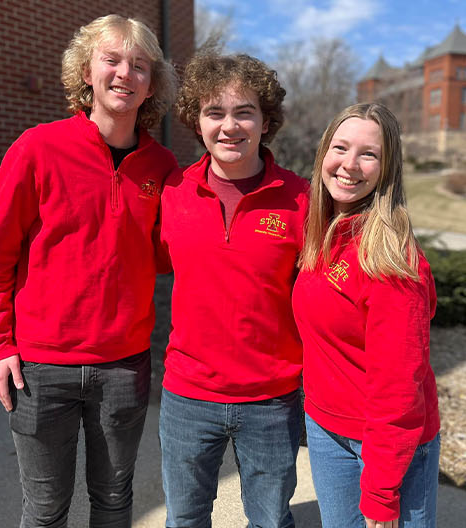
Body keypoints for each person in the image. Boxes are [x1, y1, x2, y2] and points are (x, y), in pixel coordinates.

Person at [0, 14, 179, 527]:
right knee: (44, 510)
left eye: (140, 65)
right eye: (113, 60)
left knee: (113, 501)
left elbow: (171, 255)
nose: (125, 73)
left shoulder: (163, 168)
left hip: (123, 366)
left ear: (152, 84)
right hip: (41, 367)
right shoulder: (37, 149)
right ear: (87, 71)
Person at [156, 53, 308, 527]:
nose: (229, 126)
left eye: (244, 111)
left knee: (269, 520)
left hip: (271, 398)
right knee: (184, 519)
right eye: (214, 112)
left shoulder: (301, 199)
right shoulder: (173, 192)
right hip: (188, 394)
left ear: (266, 121)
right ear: (196, 121)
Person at [293, 102, 439, 528]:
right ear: (323, 153)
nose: (349, 165)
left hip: (384, 447)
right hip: (325, 427)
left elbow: (399, 388)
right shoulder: (324, 231)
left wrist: (380, 491)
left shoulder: (391, 263)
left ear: (387, 168)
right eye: (340, 147)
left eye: (368, 154)